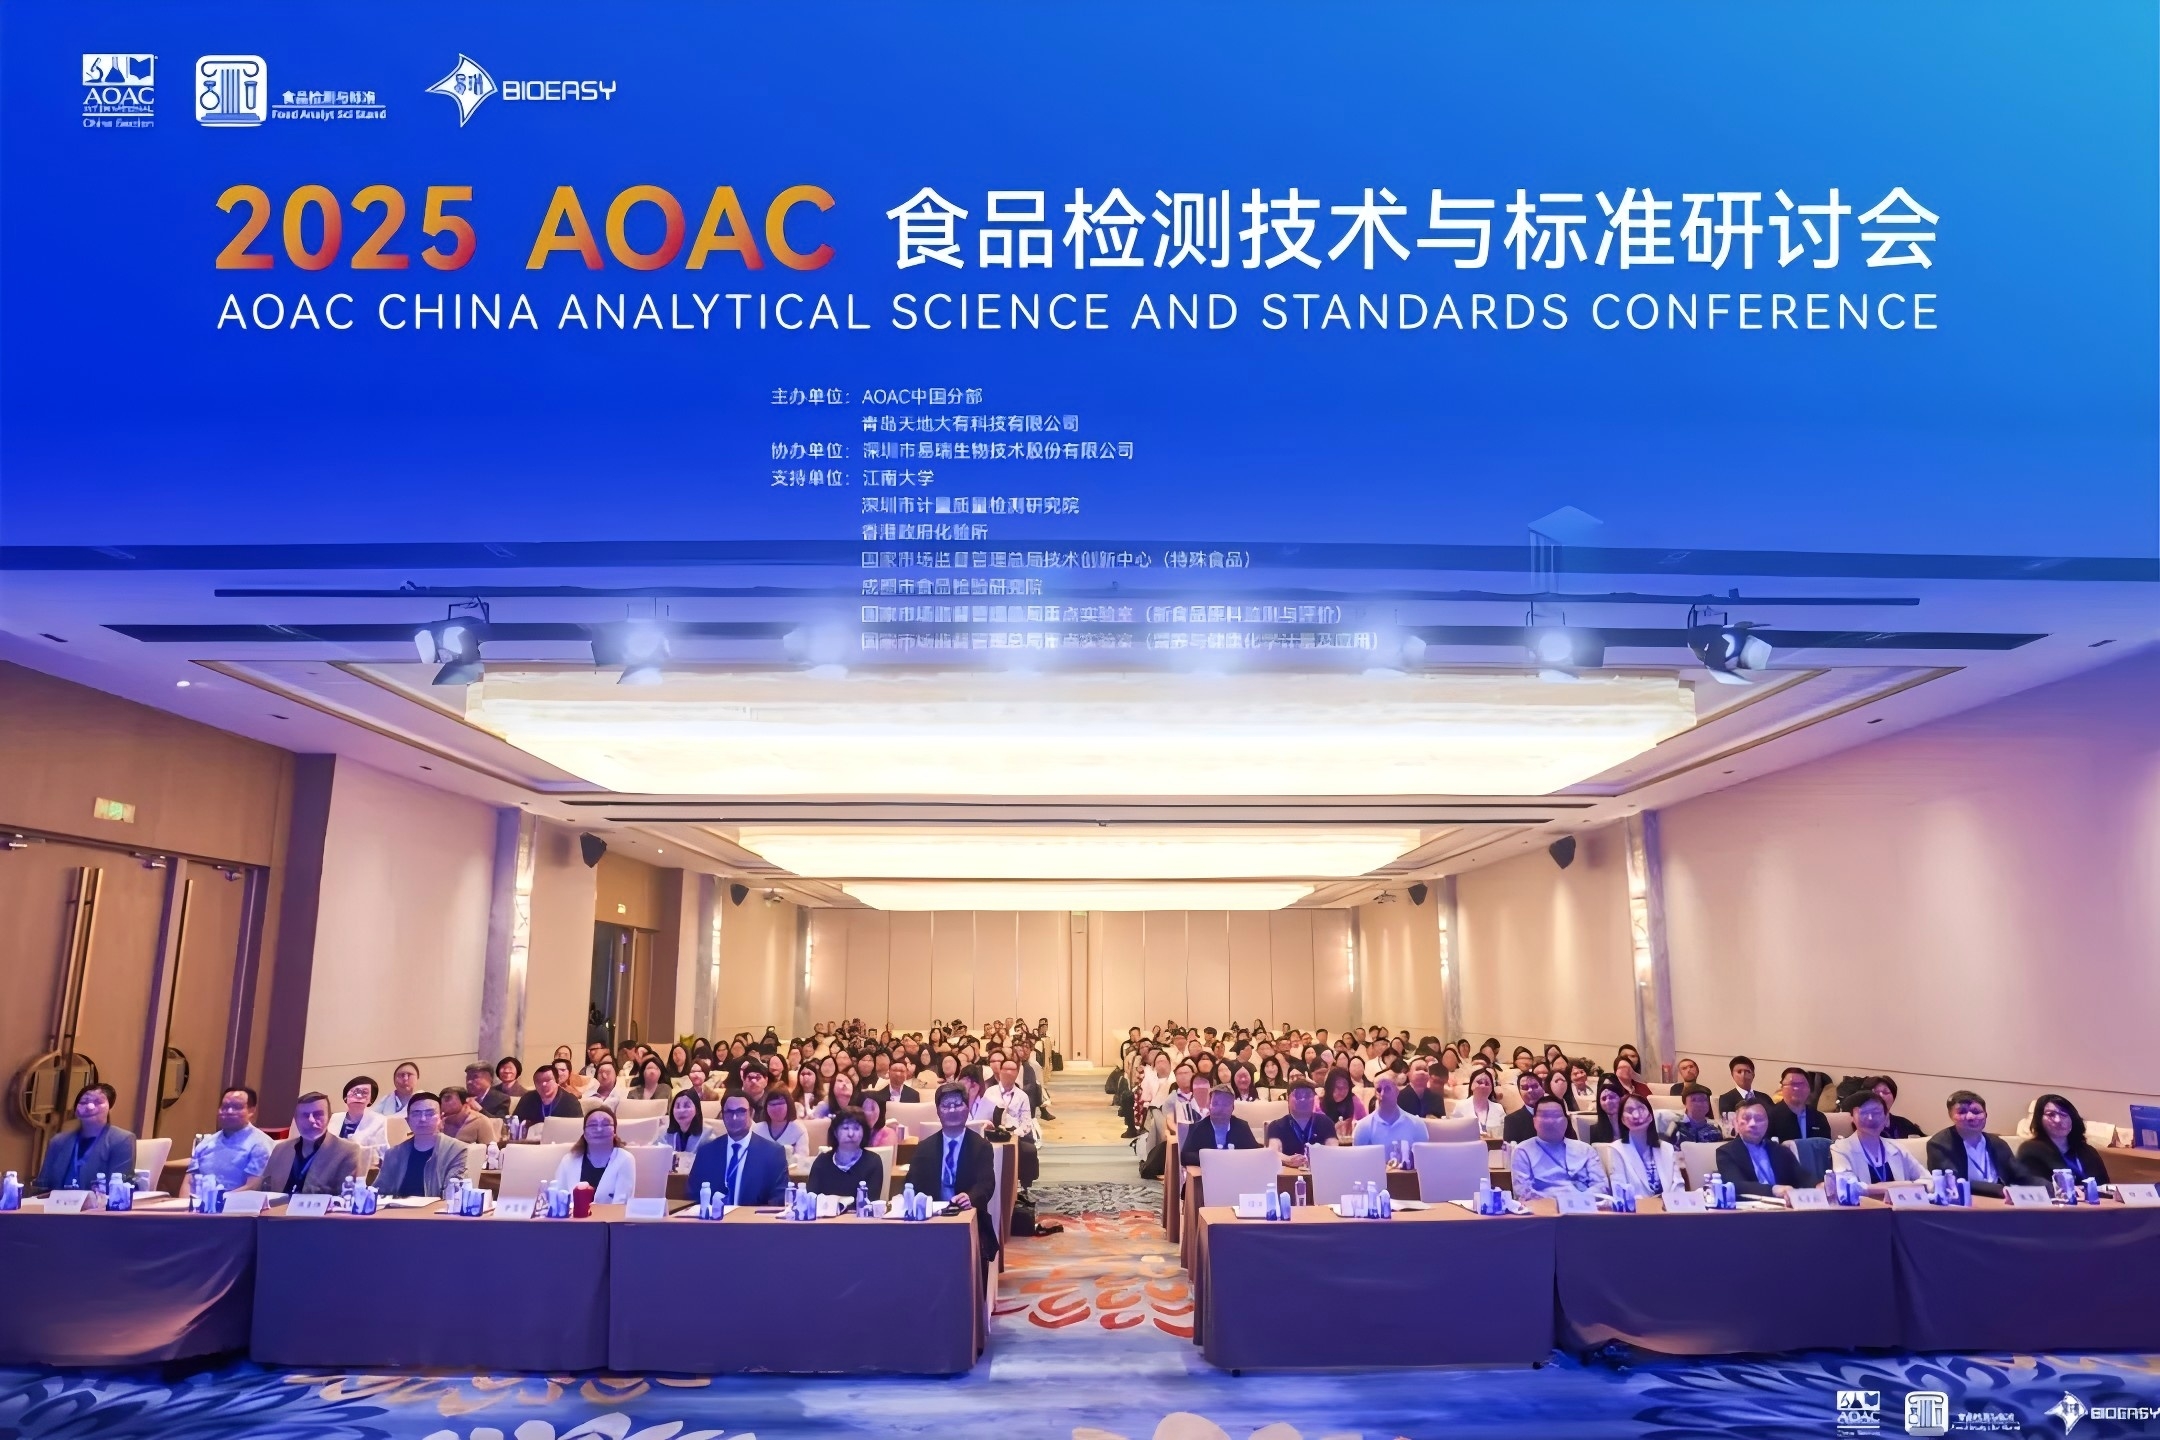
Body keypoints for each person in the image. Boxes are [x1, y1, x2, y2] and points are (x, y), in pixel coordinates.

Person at [903, 1082, 999, 1272]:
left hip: (968, 1217)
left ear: (967, 1107)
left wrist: (970, 1197)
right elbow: (911, 1184)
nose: (952, 1110)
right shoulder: (924, 1147)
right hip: (931, 1219)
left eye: (957, 1104)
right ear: (938, 1111)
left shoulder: (981, 1146)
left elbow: (986, 1183)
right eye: (946, 1106)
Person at [33, 1083, 138, 1194]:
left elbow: (119, 1190)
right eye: (83, 1102)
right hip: (56, 1203)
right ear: (76, 1109)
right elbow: (42, 1186)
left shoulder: (122, 1140)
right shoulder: (58, 1141)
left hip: (99, 1204)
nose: (90, 1107)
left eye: (98, 1102)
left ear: (110, 1108)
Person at [1926, 1091, 2035, 1198]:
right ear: (1951, 1116)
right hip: (1967, 1200)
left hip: (2002, 1200)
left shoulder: (1997, 1142)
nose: (1970, 1117)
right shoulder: (1939, 1144)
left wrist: (2043, 1186)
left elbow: (2021, 1175)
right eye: (1962, 1112)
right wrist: (2000, 1190)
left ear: (1986, 1115)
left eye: (1976, 1112)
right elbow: (1952, 1182)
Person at [685, 1095, 789, 1207]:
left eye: (741, 1111)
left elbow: (778, 1200)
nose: (734, 1117)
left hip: (753, 1217)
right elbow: (692, 1197)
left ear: (751, 1113)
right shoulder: (706, 1152)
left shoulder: (772, 1153)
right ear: (723, 1116)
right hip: (713, 1217)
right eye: (729, 1112)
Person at [262, 1091, 366, 1196]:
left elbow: (345, 1198)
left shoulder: (347, 1151)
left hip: (318, 1207)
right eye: (305, 1115)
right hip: (276, 1206)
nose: (311, 1120)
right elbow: (263, 1189)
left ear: (329, 1117)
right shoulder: (280, 1149)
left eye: (318, 1114)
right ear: (296, 1120)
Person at [1510, 1095, 1611, 1201]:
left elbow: (1602, 1186)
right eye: (1544, 1116)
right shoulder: (1522, 1151)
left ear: (1566, 1121)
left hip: (1585, 1207)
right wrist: (1561, 1202)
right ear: (1534, 1121)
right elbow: (1523, 1192)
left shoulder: (1585, 1149)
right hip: (1544, 1209)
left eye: (1556, 1115)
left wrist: (1579, 1200)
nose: (1550, 1121)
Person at [180, 1086, 272, 1196]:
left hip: (236, 1204)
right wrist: (183, 1204)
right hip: (197, 1203)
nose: (229, 1111)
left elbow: (252, 1187)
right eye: (224, 1107)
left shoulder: (260, 1144)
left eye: (237, 1107)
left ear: (251, 1111)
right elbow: (189, 1181)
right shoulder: (206, 1142)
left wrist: (215, 1202)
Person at [375, 1093, 470, 1199]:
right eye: (416, 1114)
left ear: (441, 1118)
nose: (423, 1119)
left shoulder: (456, 1150)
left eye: (430, 1113)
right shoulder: (394, 1153)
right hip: (397, 1208)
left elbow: (452, 1194)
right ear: (407, 1120)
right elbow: (379, 1192)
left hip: (437, 1209)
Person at [1830, 1092, 1927, 1195]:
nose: (1870, 1118)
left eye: (1876, 1113)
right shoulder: (1840, 1149)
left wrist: (1868, 1188)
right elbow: (1846, 1188)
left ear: (1886, 1117)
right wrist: (1903, 1186)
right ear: (1852, 1117)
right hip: (1864, 1205)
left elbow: (1927, 1181)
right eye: (1864, 1113)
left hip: (1900, 1205)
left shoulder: (1897, 1147)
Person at [2018, 1093, 2112, 1188]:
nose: (2058, 1120)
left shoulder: (2088, 1151)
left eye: (2063, 1114)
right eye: (2051, 1114)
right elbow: (2033, 1187)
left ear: (2073, 1119)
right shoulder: (2030, 1150)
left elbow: (2105, 1186)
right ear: (2039, 1119)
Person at [548, 1106, 636, 1205]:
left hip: (610, 1215)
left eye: (606, 1124)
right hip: (573, 1215)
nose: (599, 1129)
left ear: (614, 1132)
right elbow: (558, 1199)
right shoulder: (569, 1159)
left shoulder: (625, 1159)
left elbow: (621, 1205)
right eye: (592, 1125)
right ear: (584, 1133)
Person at [1716, 1097, 1801, 1198]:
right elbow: (1735, 1184)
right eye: (1746, 1118)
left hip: (1785, 1203)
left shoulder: (1780, 1150)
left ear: (1767, 1123)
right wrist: (1773, 1190)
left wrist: (1816, 1184)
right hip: (1752, 1204)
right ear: (1736, 1123)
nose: (1753, 1124)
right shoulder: (1726, 1152)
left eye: (1759, 1119)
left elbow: (1802, 1176)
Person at [806, 1107, 885, 1202]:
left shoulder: (873, 1162)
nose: (851, 1134)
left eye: (856, 1128)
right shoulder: (822, 1161)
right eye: (845, 1128)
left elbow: (870, 1201)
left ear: (864, 1133)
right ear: (835, 1132)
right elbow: (811, 1198)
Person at [1180, 1085, 1261, 1165]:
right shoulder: (1197, 1128)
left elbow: (1255, 1153)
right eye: (1216, 1103)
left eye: (1225, 1104)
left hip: (1237, 1170)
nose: (1220, 1108)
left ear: (1232, 1108)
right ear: (1209, 1105)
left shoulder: (1242, 1127)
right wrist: (1212, 1158)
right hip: (1208, 1171)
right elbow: (1185, 1156)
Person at [1353, 1074, 1432, 1155]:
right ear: (1375, 1094)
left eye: (1387, 1089)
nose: (1382, 1094)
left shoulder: (1417, 1124)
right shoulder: (1363, 1127)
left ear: (1397, 1091)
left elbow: (1424, 1158)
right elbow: (1358, 1160)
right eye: (1379, 1090)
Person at [1264, 1079, 1335, 1163]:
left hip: (1320, 1169)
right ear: (1288, 1098)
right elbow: (1273, 1153)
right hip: (1287, 1170)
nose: (1303, 1099)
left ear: (1314, 1098)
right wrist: (1289, 1160)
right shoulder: (1276, 1126)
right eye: (1298, 1095)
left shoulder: (1326, 1122)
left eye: (1307, 1095)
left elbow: (1334, 1150)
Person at [1766, 1067, 1832, 1141]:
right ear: (1782, 1088)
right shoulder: (1770, 1117)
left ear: (1809, 1089)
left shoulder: (1819, 1117)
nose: (1797, 1088)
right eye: (1792, 1084)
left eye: (1801, 1084)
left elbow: (1826, 1145)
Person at [511, 1064, 581, 1129]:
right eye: (538, 1081)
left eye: (548, 1080)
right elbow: (515, 1123)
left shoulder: (570, 1101)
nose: (543, 1084)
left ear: (557, 1081)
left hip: (560, 1137)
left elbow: (578, 1128)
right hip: (531, 1137)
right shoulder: (527, 1098)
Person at [1453, 1066, 1507, 1141]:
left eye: (1487, 1083)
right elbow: (1455, 1134)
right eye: (1479, 1082)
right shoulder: (1460, 1106)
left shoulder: (1499, 1108)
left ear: (1491, 1089)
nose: (1483, 1086)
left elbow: (1503, 1136)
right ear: (1471, 1086)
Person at [334, 1077, 390, 1149]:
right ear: (345, 1097)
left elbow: (381, 1151)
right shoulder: (334, 1118)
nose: (359, 1096)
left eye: (364, 1092)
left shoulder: (379, 1120)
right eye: (354, 1092)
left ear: (371, 1100)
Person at [758, 1090, 809, 1161]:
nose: (776, 1108)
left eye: (780, 1103)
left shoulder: (799, 1130)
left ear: (789, 1105)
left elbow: (802, 1157)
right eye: (772, 1104)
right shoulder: (756, 1129)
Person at [1319, 1067, 1366, 1140]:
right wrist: (1333, 1129)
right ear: (1329, 1087)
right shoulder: (1318, 1104)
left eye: (1345, 1087)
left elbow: (1365, 1125)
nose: (1342, 1091)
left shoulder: (1355, 1102)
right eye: (1338, 1088)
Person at [663, 1088, 709, 1155]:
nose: (681, 1110)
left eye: (686, 1106)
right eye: (677, 1106)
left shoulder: (707, 1138)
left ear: (697, 1109)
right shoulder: (664, 1134)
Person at [1502, 1072, 1544, 1144]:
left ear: (1543, 1088)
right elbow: (1511, 1149)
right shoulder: (1512, 1120)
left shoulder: (1557, 1114)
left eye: (1534, 1086)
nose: (1530, 1090)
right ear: (1519, 1093)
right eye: (1525, 1088)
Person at [1586, 1077, 1629, 1146]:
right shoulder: (1594, 1130)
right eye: (1604, 1099)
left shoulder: (1631, 1127)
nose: (1608, 1102)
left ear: (1621, 1098)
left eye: (1612, 1097)